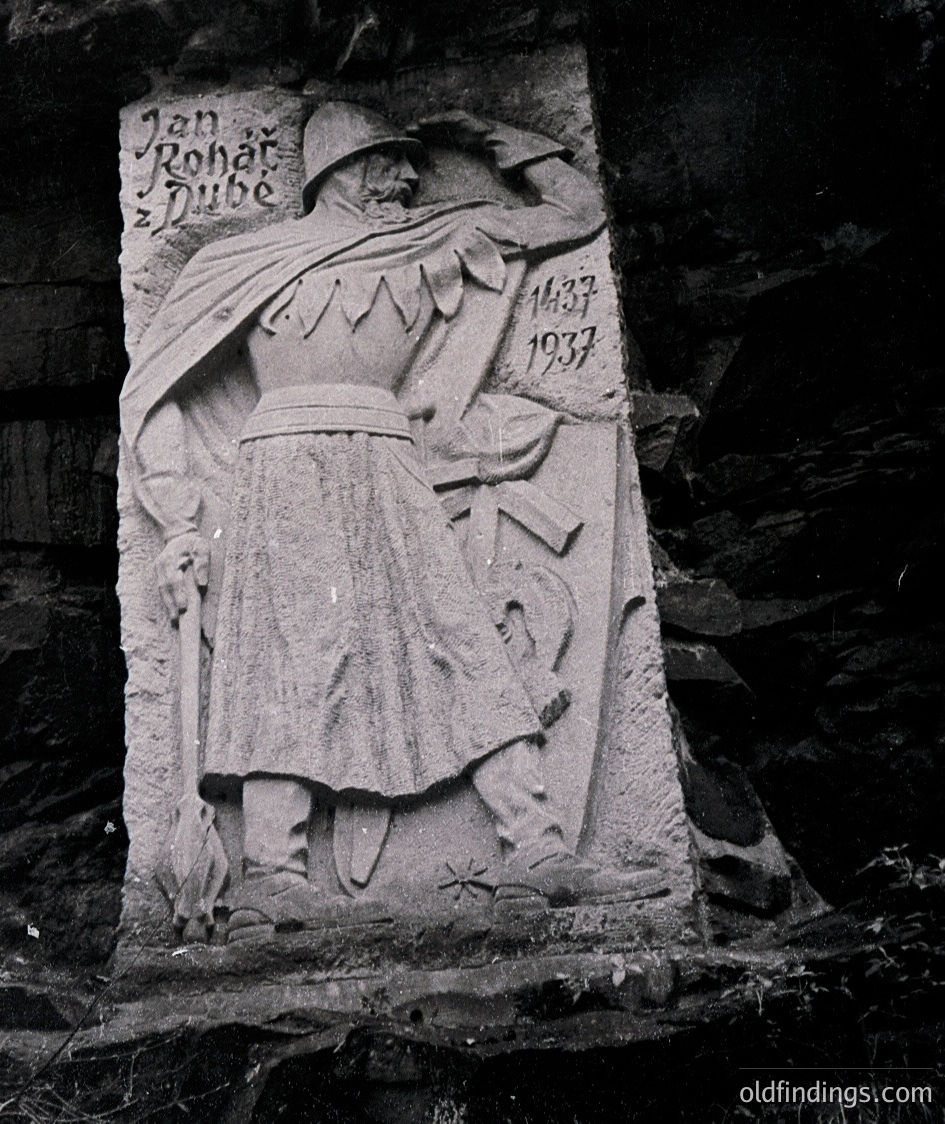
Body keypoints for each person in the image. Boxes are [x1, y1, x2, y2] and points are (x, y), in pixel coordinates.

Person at [121, 103, 640, 937]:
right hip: (282, 467)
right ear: (341, 170)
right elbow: (154, 391)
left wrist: (481, 137)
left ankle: (537, 853)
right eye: (389, 164)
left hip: (389, 461)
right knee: (290, 662)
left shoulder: (437, 238)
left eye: (410, 165)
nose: (407, 179)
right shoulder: (243, 261)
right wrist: (176, 514)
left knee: (459, 634)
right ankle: (272, 879)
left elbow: (578, 213)